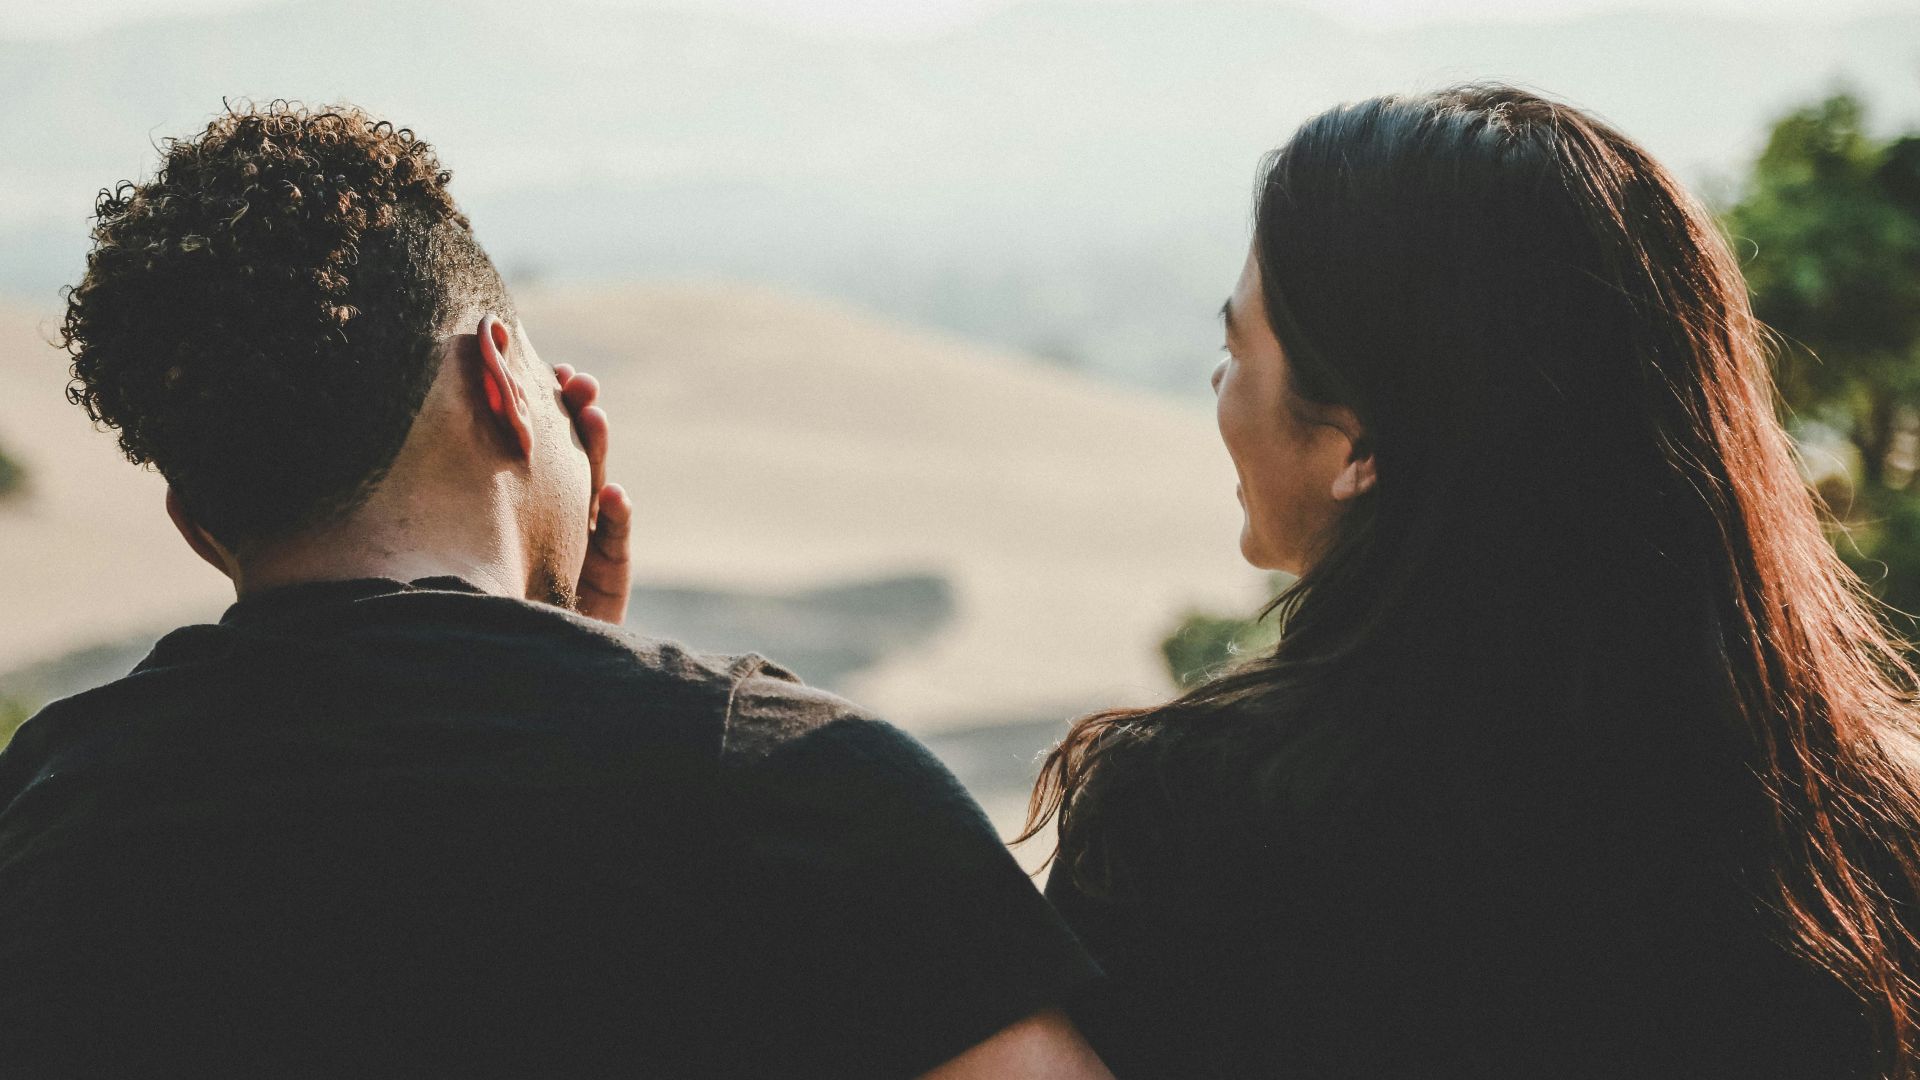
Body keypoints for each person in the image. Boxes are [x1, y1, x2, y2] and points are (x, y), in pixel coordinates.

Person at [0, 102, 1111, 1080]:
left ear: (196, 523)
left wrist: (558, 661)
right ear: (503, 383)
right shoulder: (791, 787)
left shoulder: (46, 805)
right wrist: (597, 689)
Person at [1026, 84, 1920, 1079]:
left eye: (1237, 348)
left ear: (1358, 442)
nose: (1218, 385)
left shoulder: (1188, 824)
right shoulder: (1864, 827)